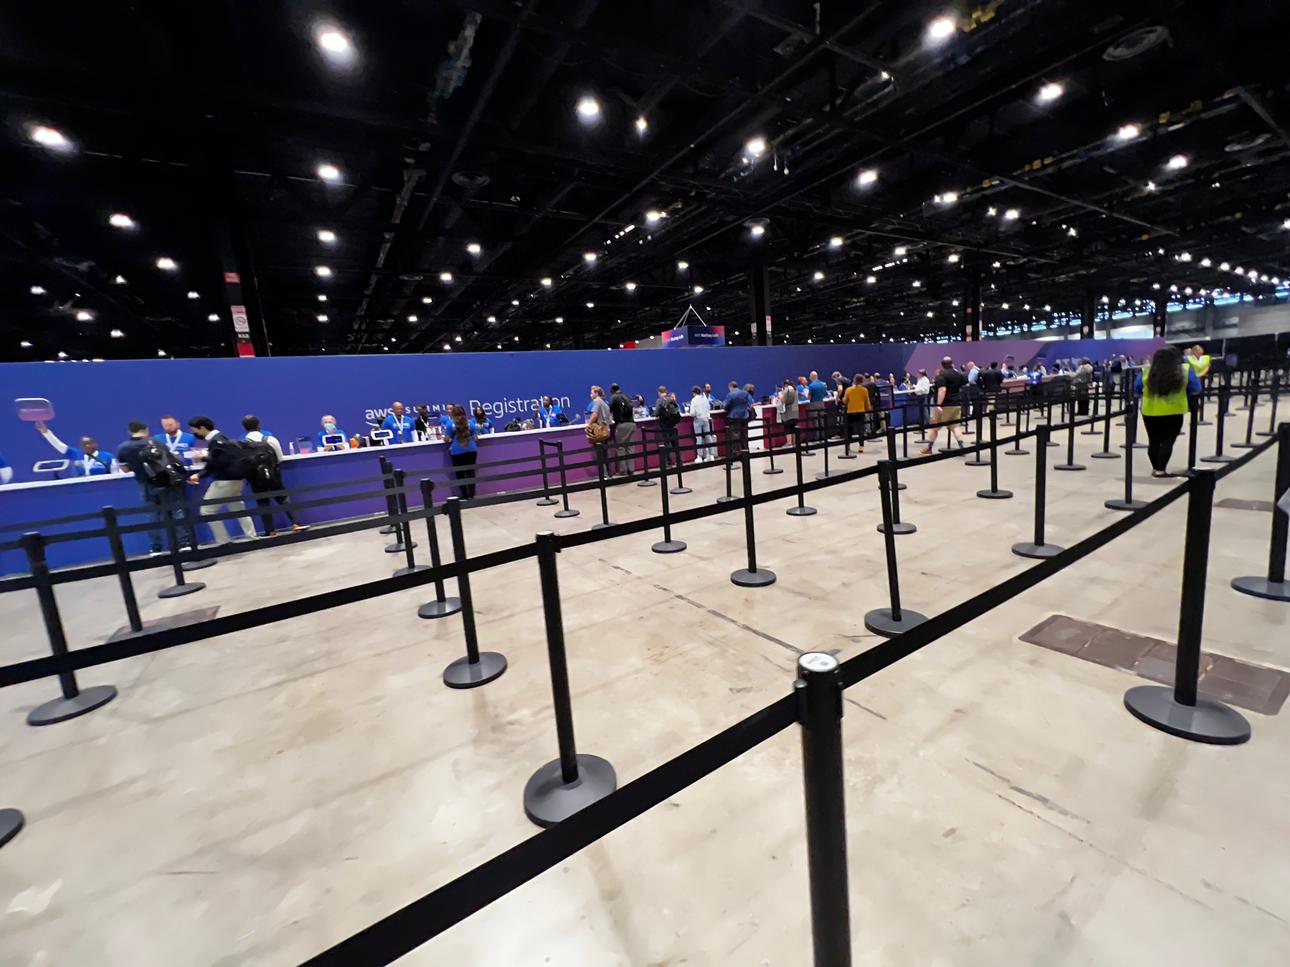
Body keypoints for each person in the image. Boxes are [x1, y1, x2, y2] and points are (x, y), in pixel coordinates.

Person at [116, 420, 193, 555]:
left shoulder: (123, 448)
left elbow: (125, 469)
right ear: (146, 429)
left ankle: (156, 548)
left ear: (129, 431)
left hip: (145, 484)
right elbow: (173, 460)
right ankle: (184, 544)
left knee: (152, 515)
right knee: (176, 511)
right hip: (167, 483)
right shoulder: (156, 442)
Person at [186, 416, 259, 544]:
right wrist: (200, 474)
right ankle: (252, 537)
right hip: (237, 480)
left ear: (202, 428)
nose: (194, 433)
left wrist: (203, 460)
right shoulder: (222, 438)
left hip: (224, 481)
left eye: (194, 430)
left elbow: (220, 462)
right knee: (238, 509)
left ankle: (223, 541)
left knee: (207, 510)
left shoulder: (215, 441)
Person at [1134, 346, 1201, 477]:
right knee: (1168, 441)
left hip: (1150, 411)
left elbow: (1136, 389)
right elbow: (1196, 388)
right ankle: (1160, 469)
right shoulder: (1185, 370)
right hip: (1174, 411)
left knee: (1153, 441)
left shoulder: (1146, 371)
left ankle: (1156, 468)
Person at [241, 415, 305, 537]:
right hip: (273, 475)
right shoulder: (270, 440)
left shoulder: (242, 444)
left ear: (244, 428)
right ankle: (296, 524)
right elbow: (280, 458)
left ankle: (270, 531)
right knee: (283, 498)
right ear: (259, 425)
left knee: (263, 502)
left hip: (256, 478)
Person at [33, 421, 119, 476]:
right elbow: (58, 444)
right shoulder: (76, 454)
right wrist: (45, 432)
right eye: (83, 444)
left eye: (89, 443)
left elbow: (116, 475)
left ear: (95, 444)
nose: (86, 446)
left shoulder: (108, 456)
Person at [920, 357, 967, 454]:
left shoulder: (941, 375)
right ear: (951, 363)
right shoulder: (957, 373)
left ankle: (929, 448)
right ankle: (962, 447)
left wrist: (938, 404)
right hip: (956, 403)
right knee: (955, 427)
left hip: (944, 405)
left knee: (934, 427)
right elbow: (964, 382)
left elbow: (942, 390)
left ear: (942, 364)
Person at [445, 404, 480, 498]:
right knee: (471, 473)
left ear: (453, 413)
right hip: (471, 449)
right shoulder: (470, 423)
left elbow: (446, 439)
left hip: (457, 451)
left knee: (460, 473)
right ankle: (471, 496)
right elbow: (476, 438)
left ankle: (464, 496)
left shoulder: (450, 423)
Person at [608, 382, 637, 476]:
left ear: (612, 390)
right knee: (630, 447)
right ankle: (631, 470)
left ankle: (623, 470)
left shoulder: (614, 397)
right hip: (632, 424)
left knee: (621, 448)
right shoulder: (626, 396)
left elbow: (609, 410)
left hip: (621, 425)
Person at [652, 385, 682, 468]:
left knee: (666, 443)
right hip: (673, 424)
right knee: (675, 444)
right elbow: (676, 411)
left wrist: (653, 414)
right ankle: (679, 462)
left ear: (659, 392)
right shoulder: (671, 399)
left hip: (665, 425)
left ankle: (669, 462)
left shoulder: (660, 400)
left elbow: (657, 412)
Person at [842, 373, 871, 453]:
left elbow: (845, 401)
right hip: (861, 412)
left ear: (854, 380)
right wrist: (868, 409)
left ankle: (847, 445)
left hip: (850, 412)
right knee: (860, 429)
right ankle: (861, 446)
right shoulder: (864, 390)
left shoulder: (849, 390)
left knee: (849, 430)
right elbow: (867, 402)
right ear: (862, 381)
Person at [723, 380, 753, 452]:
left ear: (730, 387)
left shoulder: (730, 395)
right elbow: (749, 403)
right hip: (745, 416)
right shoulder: (745, 393)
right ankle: (745, 451)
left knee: (735, 435)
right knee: (744, 435)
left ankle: (736, 452)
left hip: (734, 417)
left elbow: (726, 406)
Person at [688, 386, 715, 462]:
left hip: (698, 420)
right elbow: (708, 408)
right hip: (706, 419)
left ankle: (699, 457)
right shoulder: (705, 399)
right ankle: (711, 455)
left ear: (694, 393)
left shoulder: (693, 400)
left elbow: (692, 413)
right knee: (708, 437)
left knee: (698, 438)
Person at [778, 378, 800, 448]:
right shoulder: (795, 390)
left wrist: (779, 395)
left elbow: (783, 400)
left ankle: (789, 443)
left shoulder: (787, 390)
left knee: (788, 428)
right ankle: (794, 442)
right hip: (795, 412)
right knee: (794, 428)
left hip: (788, 412)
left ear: (785, 385)